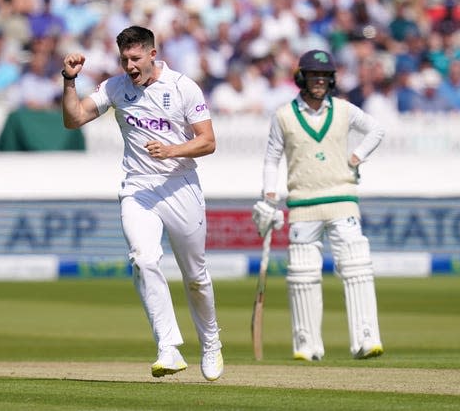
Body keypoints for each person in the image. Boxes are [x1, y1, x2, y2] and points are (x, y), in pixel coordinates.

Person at [60, 25, 224, 381]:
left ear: (152, 53)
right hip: (138, 188)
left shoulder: (182, 86)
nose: (130, 66)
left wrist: (172, 150)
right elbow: (73, 120)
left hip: (180, 185)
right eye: (124, 59)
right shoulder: (116, 87)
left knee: (195, 276)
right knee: (144, 258)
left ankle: (210, 341)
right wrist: (69, 81)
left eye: (135, 58)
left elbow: (208, 141)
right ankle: (168, 346)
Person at [252, 49, 385, 361]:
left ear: (332, 79)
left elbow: (377, 130)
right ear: (302, 78)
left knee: (356, 267)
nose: (319, 81)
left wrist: (356, 157)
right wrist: (269, 196)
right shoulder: (284, 115)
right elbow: (271, 160)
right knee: (302, 274)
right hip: (303, 203)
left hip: (343, 200)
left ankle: (366, 340)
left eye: (324, 76)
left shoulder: (343, 110)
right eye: (313, 75)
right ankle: (307, 346)